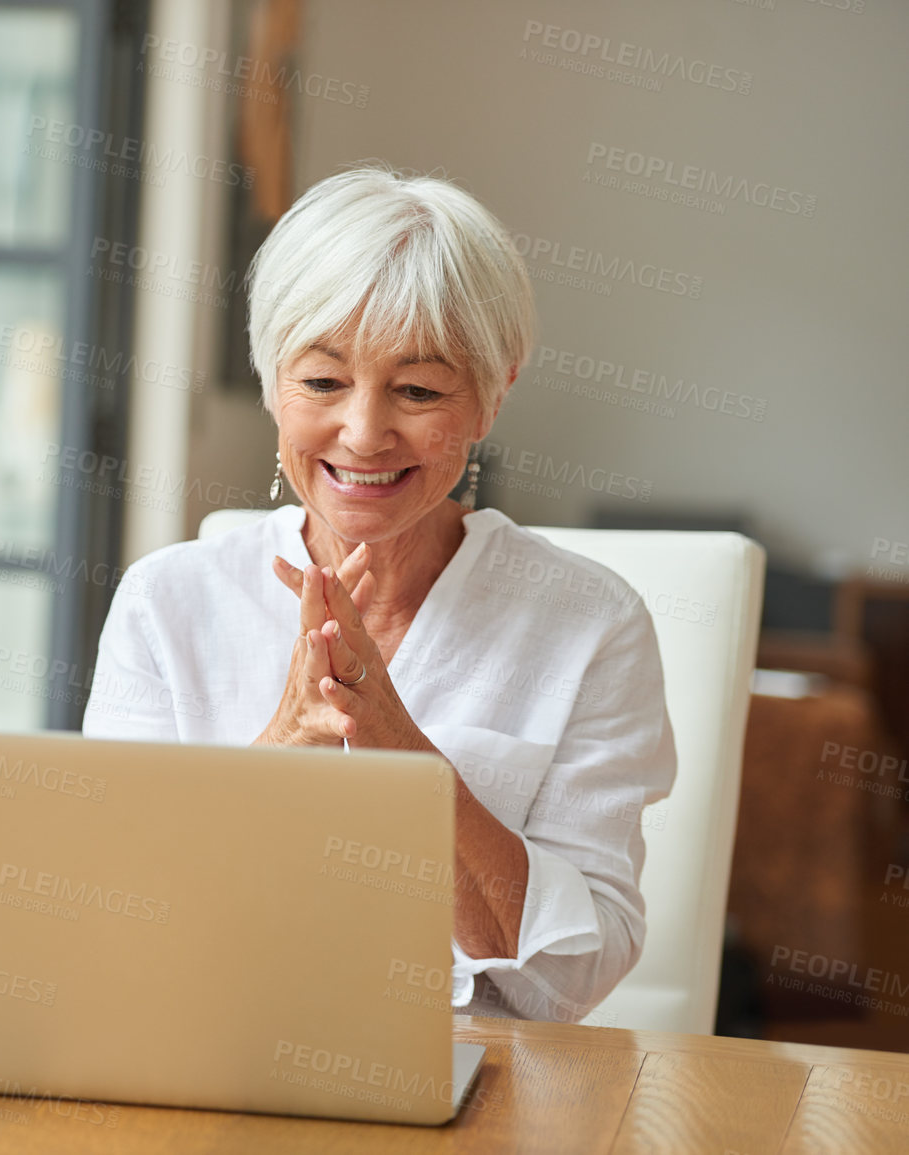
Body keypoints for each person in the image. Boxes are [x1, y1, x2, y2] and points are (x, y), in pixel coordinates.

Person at [81, 166, 676, 1022]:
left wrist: (391, 737)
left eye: (418, 390)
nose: (363, 433)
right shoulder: (164, 602)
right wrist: (288, 738)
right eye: (321, 382)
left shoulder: (590, 623)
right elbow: (118, 920)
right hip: (209, 1056)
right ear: (270, 383)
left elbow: (571, 981)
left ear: (492, 395)